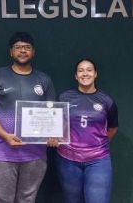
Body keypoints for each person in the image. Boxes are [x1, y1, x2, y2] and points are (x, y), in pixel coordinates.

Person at [0, 32, 55, 203]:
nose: (23, 51)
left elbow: (53, 115)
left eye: (27, 48)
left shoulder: (44, 79)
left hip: (35, 155)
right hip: (1, 153)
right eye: (18, 47)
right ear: (11, 52)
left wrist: (54, 135)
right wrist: (5, 136)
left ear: (33, 52)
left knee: (27, 200)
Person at [56, 58, 118, 203]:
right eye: (81, 70)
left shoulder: (106, 100)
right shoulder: (64, 97)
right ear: (76, 76)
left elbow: (113, 128)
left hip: (98, 161)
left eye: (89, 70)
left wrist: (95, 146)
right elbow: (55, 124)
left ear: (95, 74)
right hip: (67, 160)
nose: (85, 73)